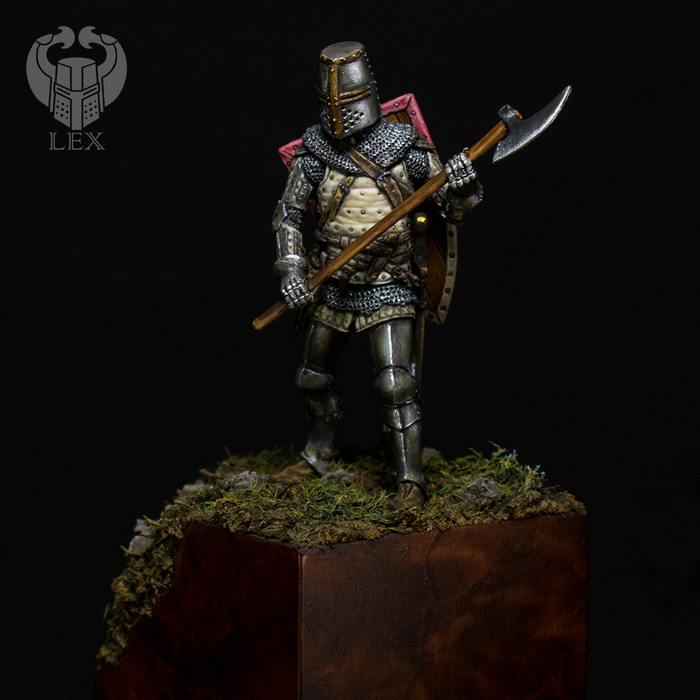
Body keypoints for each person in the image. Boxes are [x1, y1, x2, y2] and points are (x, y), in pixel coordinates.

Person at [270, 41, 483, 509]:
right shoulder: (313, 152)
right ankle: (318, 454)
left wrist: (463, 187)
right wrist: (291, 268)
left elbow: (449, 208)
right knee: (311, 376)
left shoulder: (408, 148)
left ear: (365, 93)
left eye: (345, 101)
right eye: (330, 103)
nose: (338, 113)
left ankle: (410, 479)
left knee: (395, 383)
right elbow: (288, 215)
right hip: (331, 282)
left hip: (389, 281)